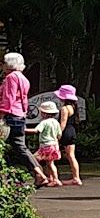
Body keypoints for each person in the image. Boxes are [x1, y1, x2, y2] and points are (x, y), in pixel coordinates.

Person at [1, 52, 46, 188]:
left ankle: (10, 178)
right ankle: (37, 172)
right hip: (20, 115)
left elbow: (8, 98)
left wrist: (1, 115)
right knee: (19, 146)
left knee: (8, 147)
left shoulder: (10, 78)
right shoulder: (23, 78)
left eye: (3, 62)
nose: (2, 65)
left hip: (10, 115)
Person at [55, 85, 81, 186]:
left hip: (66, 132)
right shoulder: (73, 107)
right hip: (72, 131)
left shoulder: (64, 108)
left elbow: (63, 123)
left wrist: (58, 135)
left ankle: (54, 176)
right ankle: (76, 177)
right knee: (71, 156)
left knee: (65, 155)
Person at [35, 100, 62, 186]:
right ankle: (53, 178)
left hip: (45, 145)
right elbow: (59, 134)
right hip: (54, 144)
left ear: (45, 113)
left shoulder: (44, 122)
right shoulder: (56, 122)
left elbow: (37, 130)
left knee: (33, 159)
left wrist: (24, 130)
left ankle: (46, 178)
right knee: (50, 163)